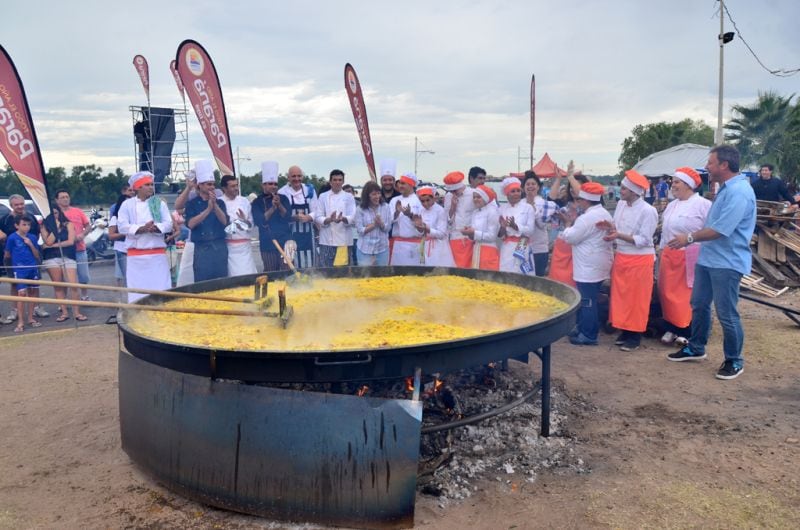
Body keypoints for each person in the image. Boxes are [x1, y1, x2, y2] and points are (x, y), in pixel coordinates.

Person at [666, 145, 756, 380]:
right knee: (699, 304)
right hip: (709, 258)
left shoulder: (739, 192)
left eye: (711, 163)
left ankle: (734, 360)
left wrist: (689, 238)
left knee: (727, 313)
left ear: (724, 165)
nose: (707, 167)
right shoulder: (726, 189)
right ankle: (696, 347)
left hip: (727, 262)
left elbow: (721, 229)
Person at [598, 169, 658, 352]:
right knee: (621, 296)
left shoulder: (649, 211)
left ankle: (635, 335)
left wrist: (619, 235)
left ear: (634, 191)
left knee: (637, 298)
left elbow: (644, 240)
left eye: (624, 189)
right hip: (622, 257)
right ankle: (624, 329)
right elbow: (616, 226)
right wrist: (610, 229)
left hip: (640, 259)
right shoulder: (621, 205)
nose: (620, 191)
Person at [657, 167, 712, 346]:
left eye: (676, 182)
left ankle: (686, 330)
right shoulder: (672, 205)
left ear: (688, 185)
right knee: (667, 292)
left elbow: (709, 230)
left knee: (686, 294)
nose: (672, 186)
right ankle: (672, 326)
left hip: (690, 255)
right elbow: (666, 230)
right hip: (669, 255)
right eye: (673, 182)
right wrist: (661, 248)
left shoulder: (703, 205)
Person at [559, 182, 614, 345]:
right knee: (590, 299)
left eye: (579, 199)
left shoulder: (586, 218)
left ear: (586, 200)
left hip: (588, 266)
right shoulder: (604, 213)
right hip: (600, 262)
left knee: (587, 301)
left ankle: (589, 335)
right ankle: (584, 328)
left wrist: (568, 225)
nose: (578, 202)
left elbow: (570, 238)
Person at [117, 171, 173, 302]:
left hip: (157, 258)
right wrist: (141, 229)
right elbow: (122, 226)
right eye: (147, 185)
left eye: (152, 184)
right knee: (138, 293)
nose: (151, 187)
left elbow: (168, 224)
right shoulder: (127, 205)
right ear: (138, 187)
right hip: (136, 260)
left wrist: (156, 228)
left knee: (161, 292)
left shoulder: (158, 203)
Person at [1, 195, 47, 323]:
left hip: (32, 255)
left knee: (35, 284)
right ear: (11, 205)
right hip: (13, 257)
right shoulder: (5, 219)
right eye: (17, 205)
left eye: (22, 204)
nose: (20, 206)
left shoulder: (31, 216)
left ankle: (37, 307)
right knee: (15, 284)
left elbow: (37, 232)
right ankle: (14, 310)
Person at [184, 160, 229, 282]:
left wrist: (214, 206)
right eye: (209, 184)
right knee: (203, 283)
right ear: (200, 185)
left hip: (219, 248)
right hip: (201, 249)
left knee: (222, 283)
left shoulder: (220, 202)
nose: (212, 187)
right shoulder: (192, 204)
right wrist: (208, 210)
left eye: (213, 184)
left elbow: (225, 222)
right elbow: (191, 224)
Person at [40, 205, 86, 322]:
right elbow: (48, 241)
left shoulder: (68, 224)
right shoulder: (44, 227)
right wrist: (56, 229)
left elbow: (70, 241)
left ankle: (77, 312)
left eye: (56, 213)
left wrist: (52, 245)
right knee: (58, 285)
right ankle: (64, 312)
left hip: (68, 256)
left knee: (73, 285)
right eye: (52, 214)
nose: (54, 215)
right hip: (51, 258)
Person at [546, 162, 586, 287]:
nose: (574, 189)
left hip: (578, 246)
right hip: (561, 247)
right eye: (571, 186)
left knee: (573, 282)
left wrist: (570, 176)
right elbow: (551, 200)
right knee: (557, 281)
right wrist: (558, 179)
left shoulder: (588, 207)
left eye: (577, 186)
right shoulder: (564, 203)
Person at [3, 214, 42, 332]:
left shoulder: (33, 237)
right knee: (21, 294)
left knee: (33, 293)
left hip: (32, 268)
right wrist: (11, 268)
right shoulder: (12, 238)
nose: (27, 227)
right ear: (16, 225)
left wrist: (30, 244)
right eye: (24, 225)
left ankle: (31, 318)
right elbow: (7, 254)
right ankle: (20, 321)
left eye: (29, 225)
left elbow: (37, 255)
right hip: (19, 270)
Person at [252, 161, 292, 272]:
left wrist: (279, 205)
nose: (273, 186)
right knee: (271, 273)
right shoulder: (257, 202)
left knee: (287, 272)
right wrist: (273, 208)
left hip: (285, 241)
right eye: (270, 184)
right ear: (263, 185)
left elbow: (288, 217)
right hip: (267, 243)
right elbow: (260, 221)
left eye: (275, 184)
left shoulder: (283, 198)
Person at [278, 165, 317, 269]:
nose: (296, 179)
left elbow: (316, 210)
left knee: (309, 263)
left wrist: (308, 217)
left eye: (299, 176)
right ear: (288, 178)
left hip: (308, 234)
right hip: (289, 235)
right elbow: (280, 215)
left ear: (302, 177)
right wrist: (293, 217)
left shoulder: (309, 190)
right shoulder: (282, 192)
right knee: (291, 264)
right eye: (293, 176)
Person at [315, 169, 356, 267]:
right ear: (330, 182)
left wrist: (343, 219)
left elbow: (353, 216)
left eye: (340, 180)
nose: (337, 182)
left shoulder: (349, 196)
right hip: (326, 240)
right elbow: (318, 216)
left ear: (343, 181)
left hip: (344, 241)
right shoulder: (323, 196)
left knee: (343, 272)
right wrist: (330, 219)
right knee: (325, 271)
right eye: (335, 180)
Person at [55, 190, 92, 301]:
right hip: (64, 250)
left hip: (79, 248)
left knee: (83, 275)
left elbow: (88, 226)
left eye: (67, 196)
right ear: (57, 200)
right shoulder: (55, 213)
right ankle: (65, 298)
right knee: (64, 277)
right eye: (62, 197)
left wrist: (82, 234)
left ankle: (84, 296)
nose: (65, 199)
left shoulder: (78, 211)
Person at [220, 175, 257, 276]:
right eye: (232, 186)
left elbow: (250, 225)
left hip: (245, 249)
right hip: (229, 248)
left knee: (249, 277)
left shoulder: (244, 201)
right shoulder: (219, 202)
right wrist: (236, 225)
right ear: (224, 188)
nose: (236, 188)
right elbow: (220, 227)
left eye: (236, 185)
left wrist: (244, 222)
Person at [498, 177, 535, 274]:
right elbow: (500, 234)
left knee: (522, 272)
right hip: (507, 245)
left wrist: (516, 226)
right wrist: (502, 227)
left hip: (523, 243)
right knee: (506, 271)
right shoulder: (502, 209)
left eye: (518, 191)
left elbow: (530, 230)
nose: (516, 193)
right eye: (513, 191)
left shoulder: (528, 208)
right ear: (507, 194)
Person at [523, 172, 558, 276]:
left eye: (533, 184)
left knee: (538, 279)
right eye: (527, 184)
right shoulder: (520, 203)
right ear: (523, 187)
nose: (530, 186)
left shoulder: (544, 203)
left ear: (538, 187)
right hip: (522, 246)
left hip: (539, 248)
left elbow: (542, 224)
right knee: (522, 279)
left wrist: (533, 209)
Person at [389, 172, 424, 266]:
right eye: (399, 183)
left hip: (414, 245)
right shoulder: (394, 200)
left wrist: (410, 215)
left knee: (413, 275)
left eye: (403, 183)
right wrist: (397, 212)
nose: (400, 186)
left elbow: (422, 223)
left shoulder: (419, 201)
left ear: (411, 185)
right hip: (398, 245)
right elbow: (389, 220)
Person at [415, 186, 455, 267]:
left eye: (427, 200)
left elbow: (442, 234)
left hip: (438, 247)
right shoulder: (420, 210)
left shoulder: (440, 211)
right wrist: (419, 229)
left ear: (433, 198)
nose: (425, 203)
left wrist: (428, 229)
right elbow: (419, 233)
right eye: (422, 201)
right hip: (423, 246)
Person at [462, 184, 499, 270]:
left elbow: (492, 236)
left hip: (489, 250)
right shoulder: (475, 212)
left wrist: (473, 233)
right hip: (476, 249)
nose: (475, 199)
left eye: (478, 197)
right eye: (474, 197)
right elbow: (474, 234)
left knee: (488, 278)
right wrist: (469, 233)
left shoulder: (492, 212)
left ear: (485, 198)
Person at [354, 181, 391, 266]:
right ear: (367, 196)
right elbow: (360, 231)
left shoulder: (386, 207)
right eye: (374, 194)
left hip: (382, 249)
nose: (377, 196)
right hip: (365, 249)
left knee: (382, 276)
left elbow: (388, 228)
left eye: (379, 193)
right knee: (365, 276)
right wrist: (374, 225)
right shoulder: (360, 209)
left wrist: (381, 224)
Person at [443, 171, 475, 268]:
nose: (453, 193)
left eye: (455, 191)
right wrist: (453, 206)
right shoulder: (448, 196)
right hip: (455, 236)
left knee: (470, 267)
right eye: (451, 191)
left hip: (470, 236)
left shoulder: (473, 194)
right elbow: (447, 219)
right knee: (456, 266)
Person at [107, 193, 129, 289]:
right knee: (127, 277)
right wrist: (125, 233)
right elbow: (111, 235)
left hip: (134, 248)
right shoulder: (115, 218)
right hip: (122, 249)